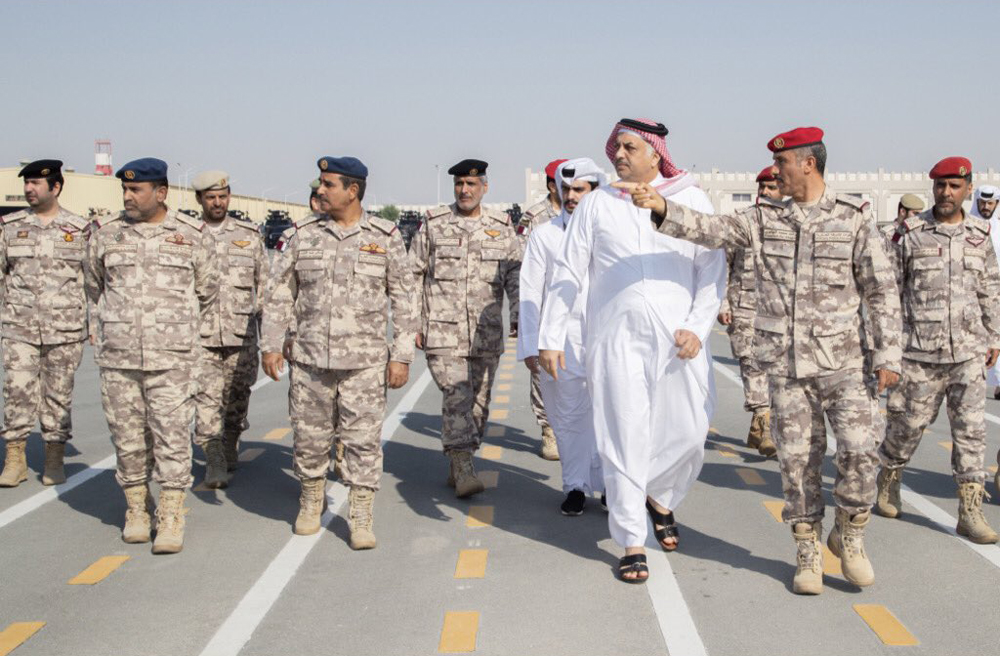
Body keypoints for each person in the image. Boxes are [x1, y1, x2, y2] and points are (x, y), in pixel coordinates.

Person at [618, 126, 901, 594]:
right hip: (786, 368)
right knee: (796, 463)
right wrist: (661, 205)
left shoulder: (853, 220)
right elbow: (711, 229)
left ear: (807, 163)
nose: (776, 171)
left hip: (846, 364)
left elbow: (881, 289)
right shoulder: (764, 219)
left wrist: (888, 353)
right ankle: (807, 546)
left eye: (783, 162)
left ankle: (850, 530)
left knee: (859, 452)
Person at [538, 118, 725, 584]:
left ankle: (659, 496)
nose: (618, 155)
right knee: (623, 435)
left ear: (656, 153)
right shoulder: (598, 204)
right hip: (616, 338)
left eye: (629, 147)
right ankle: (631, 540)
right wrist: (551, 334)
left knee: (690, 429)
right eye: (615, 147)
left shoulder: (691, 199)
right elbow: (568, 269)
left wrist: (698, 327)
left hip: (678, 338)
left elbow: (713, 270)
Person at [261, 156, 416, 549]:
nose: (321, 190)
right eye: (321, 184)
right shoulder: (302, 235)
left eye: (329, 184)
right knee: (310, 438)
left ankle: (361, 513)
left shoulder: (385, 236)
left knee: (362, 439)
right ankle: (311, 498)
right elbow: (280, 293)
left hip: (364, 363)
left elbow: (404, 298)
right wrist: (271, 344)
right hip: (311, 360)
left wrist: (401, 356)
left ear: (353, 190)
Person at [85, 158, 218, 554]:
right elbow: (95, 286)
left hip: (172, 360)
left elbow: (207, 290)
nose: (127, 196)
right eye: (124, 190)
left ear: (160, 193)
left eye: (136, 190)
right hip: (119, 359)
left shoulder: (191, 235)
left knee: (172, 439)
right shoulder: (106, 235)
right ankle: (138, 510)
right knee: (128, 440)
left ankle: (172, 514)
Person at [877, 158, 999, 544]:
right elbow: (888, 294)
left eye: (953, 186)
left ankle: (970, 509)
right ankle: (889, 474)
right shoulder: (910, 233)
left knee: (971, 434)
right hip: (919, 355)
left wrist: (995, 335)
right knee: (908, 427)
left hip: (967, 352)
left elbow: (991, 288)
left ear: (968, 187)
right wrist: (887, 350)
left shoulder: (981, 234)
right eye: (940, 186)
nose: (946, 193)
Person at [410, 159, 521, 498]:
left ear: (484, 188)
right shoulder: (434, 224)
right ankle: (463, 466)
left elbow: (516, 276)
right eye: (459, 184)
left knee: (479, 404)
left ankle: (461, 456)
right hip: (442, 332)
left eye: (472, 184)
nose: (464, 190)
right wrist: (414, 320)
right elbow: (412, 273)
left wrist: (519, 315)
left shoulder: (501, 226)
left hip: (485, 333)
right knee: (457, 396)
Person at [518, 158, 605, 515]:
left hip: (605, 340)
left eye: (578, 190)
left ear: (595, 192)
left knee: (607, 416)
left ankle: (611, 489)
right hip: (560, 344)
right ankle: (574, 486)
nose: (570, 196)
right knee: (567, 417)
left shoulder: (613, 233)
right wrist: (530, 345)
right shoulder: (545, 235)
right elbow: (530, 291)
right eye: (565, 189)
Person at [0, 160, 89, 488]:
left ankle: (54, 456)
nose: (28, 189)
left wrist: (94, 324)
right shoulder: (9, 227)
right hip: (19, 326)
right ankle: (15, 458)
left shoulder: (79, 229)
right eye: (27, 183)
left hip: (64, 330)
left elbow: (92, 281)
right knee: (16, 390)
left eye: (36, 183)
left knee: (58, 394)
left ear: (56, 187)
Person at [191, 171, 268, 487]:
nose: (218, 202)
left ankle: (231, 438)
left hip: (242, 334)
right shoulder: (188, 234)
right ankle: (214, 459)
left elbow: (263, 284)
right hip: (201, 336)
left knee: (237, 395)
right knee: (206, 397)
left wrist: (269, 335)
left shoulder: (249, 235)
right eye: (211, 197)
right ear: (200, 200)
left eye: (222, 196)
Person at [717, 165, 780, 457]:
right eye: (762, 188)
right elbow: (724, 266)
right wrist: (723, 303)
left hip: (780, 313)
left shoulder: (794, 225)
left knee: (778, 372)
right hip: (743, 308)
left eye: (772, 188)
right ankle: (763, 421)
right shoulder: (743, 223)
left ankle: (763, 422)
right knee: (751, 365)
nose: (765, 193)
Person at [518, 159, 566, 461]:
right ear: (552, 185)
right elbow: (524, 268)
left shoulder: (586, 215)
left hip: (578, 312)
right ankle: (549, 429)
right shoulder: (535, 218)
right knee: (543, 374)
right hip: (545, 307)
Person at [972, 185, 1000, 400]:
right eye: (982, 202)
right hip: (973, 293)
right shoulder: (967, 227)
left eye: (990, 203)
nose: (986, 207)